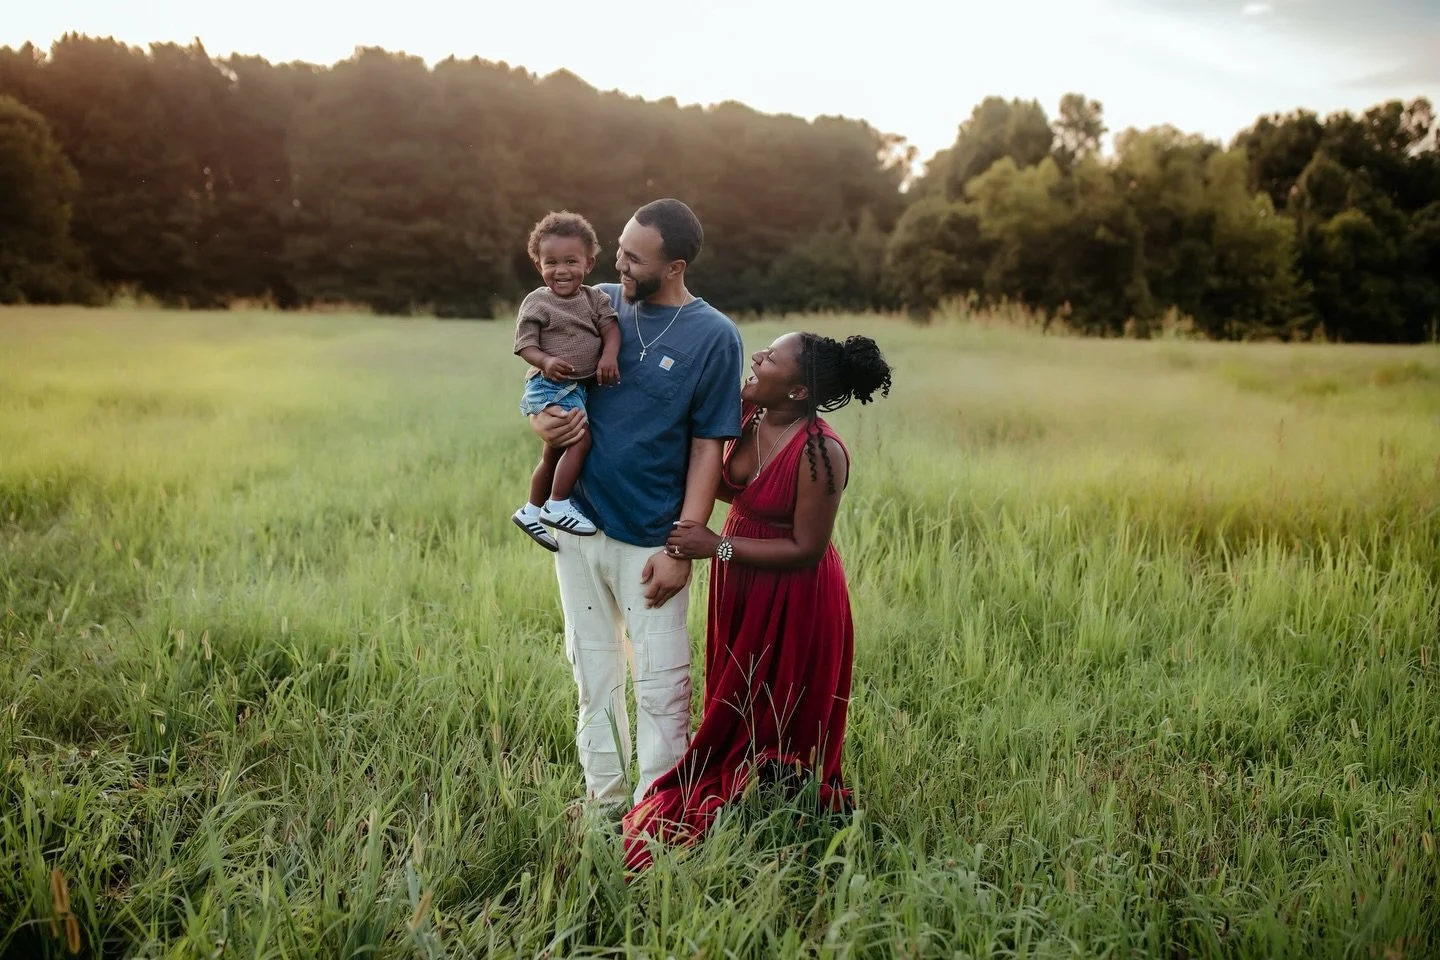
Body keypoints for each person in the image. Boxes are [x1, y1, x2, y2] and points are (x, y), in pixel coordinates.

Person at [622, 331, 893, 870]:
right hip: (740, 579)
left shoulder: (821, 452)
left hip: (794, 591)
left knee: (781, 706)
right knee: (736, 693)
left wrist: (713, 545)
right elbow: (730, 485)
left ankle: (782, 815)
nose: (759, 358)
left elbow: (806, 549)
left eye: (771, 357)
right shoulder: (748, 417)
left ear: (796, 391)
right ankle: (746, 793)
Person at [530, 199, 745, 816]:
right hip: (578, 526)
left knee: (661, 686)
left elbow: (709, 445)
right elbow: (544, 380)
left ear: (674, 266)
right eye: (618, 250)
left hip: (652, 537)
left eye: (633, 258)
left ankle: (658, 816)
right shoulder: (595, 303)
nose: (617, 264)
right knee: (591, 675)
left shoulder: (714, 336)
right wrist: (544, 420)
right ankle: (603, 806)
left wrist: (685, 543)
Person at [511, 211, 621, 551]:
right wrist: (545, 361)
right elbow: (525, 344)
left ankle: (530, 510)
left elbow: (611, 329)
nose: (561, 270)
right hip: (550, 384)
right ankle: (558, 504)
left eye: (571, 261)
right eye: (551, 262)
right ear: (537, 264)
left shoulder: (594, 299)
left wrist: (608, 357)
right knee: (580, 440)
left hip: (579, 387)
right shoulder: (538, 301)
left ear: (588, 264)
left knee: (553, 452)